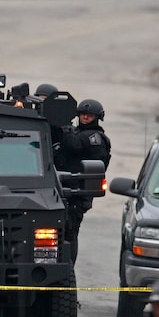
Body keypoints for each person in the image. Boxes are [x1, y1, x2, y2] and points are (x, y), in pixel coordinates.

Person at [56, 99, 111, 264]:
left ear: (97, 117)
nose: (85, 117)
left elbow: (75, 145)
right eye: (83, 114)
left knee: (70, 233)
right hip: (64, 188)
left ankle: (68, 266)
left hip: (77, 193)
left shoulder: (95, 138)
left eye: (89, 115)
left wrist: (64, 126)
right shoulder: (78, 132)